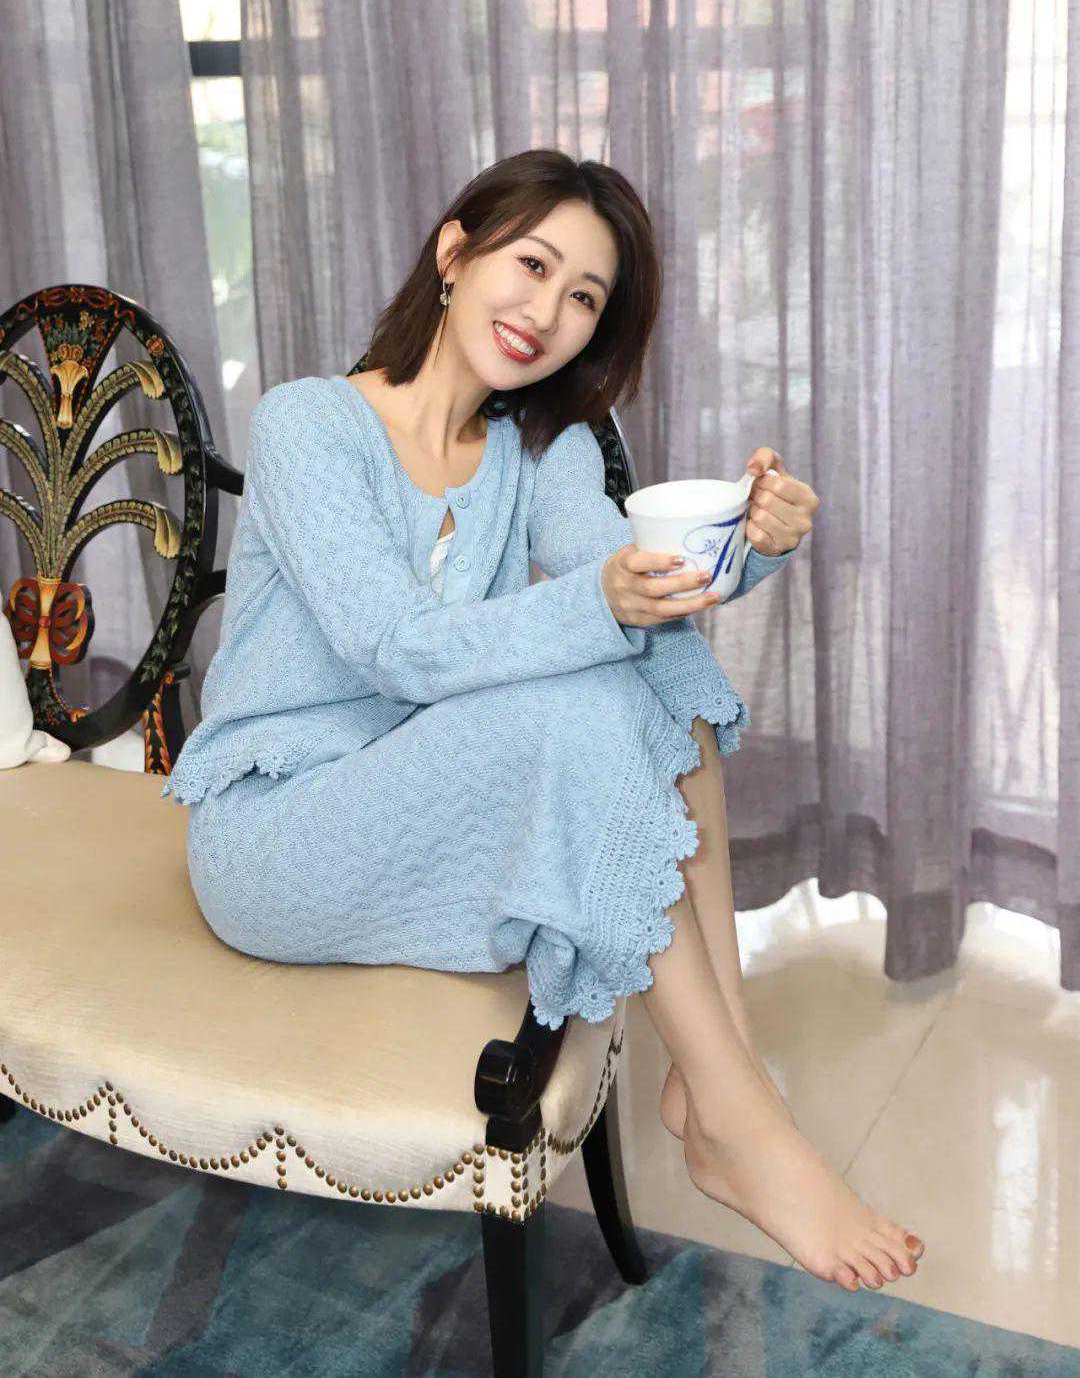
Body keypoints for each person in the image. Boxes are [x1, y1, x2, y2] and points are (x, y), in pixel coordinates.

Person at [167, 147, 924, 1294]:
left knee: (649, 663)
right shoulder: (309, 424)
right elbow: (394, 647)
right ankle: (741, 1110)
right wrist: (603, 603)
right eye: (531, 264)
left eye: (583, 297)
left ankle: (722, 1081)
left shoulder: (545, 445)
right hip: (277, 832)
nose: (546, 312)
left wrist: (749, 541)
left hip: (419, 804)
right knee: (588, 691)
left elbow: (633, 587)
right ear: (455, 252)